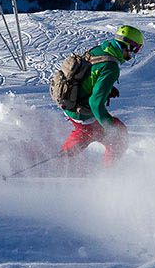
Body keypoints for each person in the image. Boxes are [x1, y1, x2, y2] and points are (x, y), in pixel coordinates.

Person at [59, 25, 143, 166]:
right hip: (81, 110)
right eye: (135, 50)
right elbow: (95, 104)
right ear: (127, 45)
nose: (133, 55)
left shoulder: (101, 49)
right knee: (118, 136)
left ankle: (60, 159)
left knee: (85, 132)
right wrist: (110, 127)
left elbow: (90, 75)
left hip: (69, 101)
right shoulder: (111, 67)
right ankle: (106, 174)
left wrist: (106, 88)